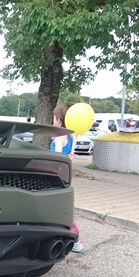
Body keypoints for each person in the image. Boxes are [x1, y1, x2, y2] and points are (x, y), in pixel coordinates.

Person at [51, 102, 84, 253]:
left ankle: (75, 238)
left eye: (53, 118)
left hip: (54, 174)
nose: (53, 121)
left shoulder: (59, 136)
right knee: (60, 205)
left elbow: (57, 157)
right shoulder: (71, 136)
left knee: (58, 206)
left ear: (58, 119)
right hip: (64, 174)